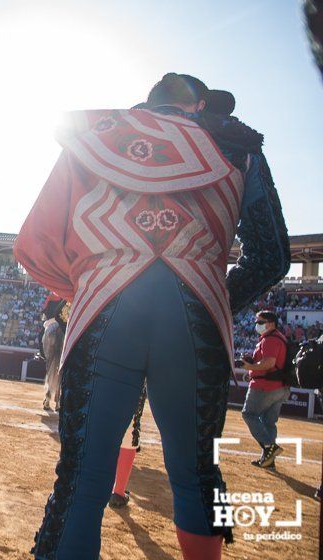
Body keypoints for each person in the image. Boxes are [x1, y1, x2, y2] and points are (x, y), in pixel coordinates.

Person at [15, 73, 290, 559]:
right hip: (196, 313)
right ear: (200, 105)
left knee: (81, 474)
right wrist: (215, 303)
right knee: (197, 472)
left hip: (103, 307)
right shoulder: (236, 144)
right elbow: (272, 255)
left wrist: (84, 285)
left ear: (147, 101)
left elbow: (36, 241)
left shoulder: (92, 136)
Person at [240, 310, 291, 469]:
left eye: (260, 322)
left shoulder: (270, 339)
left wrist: (250, 367)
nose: (257, 325)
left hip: (265, 386)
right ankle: (268, 461)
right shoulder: (279, 338)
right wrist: (253, 370)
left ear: (271, 323)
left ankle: (270, 447)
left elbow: (269, 362)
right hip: (279, 387)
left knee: (249, 414)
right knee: (269, 422)